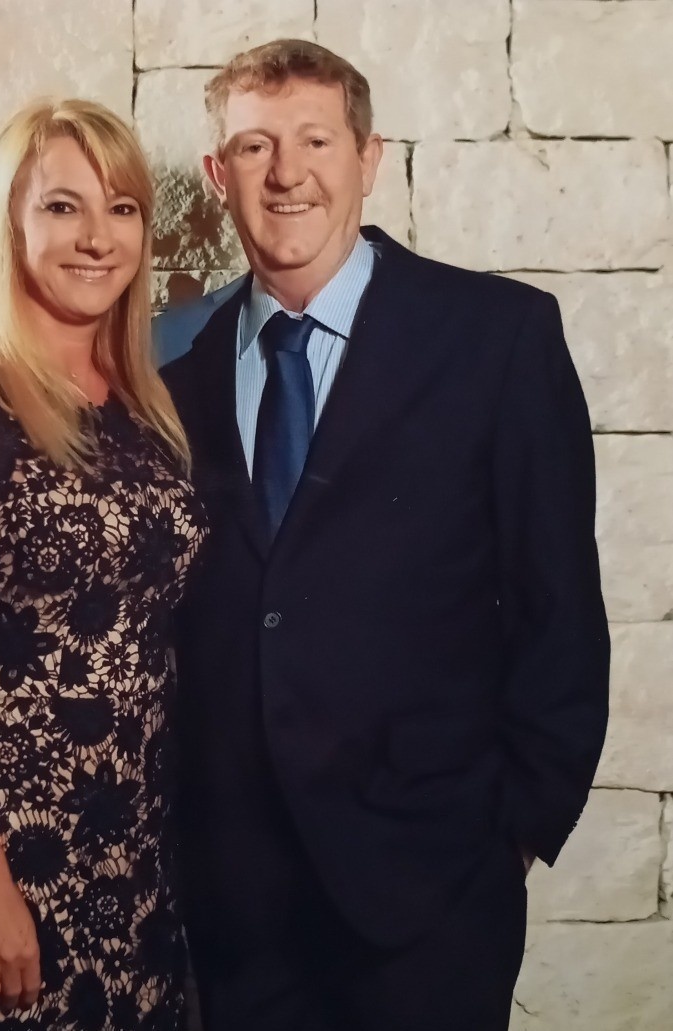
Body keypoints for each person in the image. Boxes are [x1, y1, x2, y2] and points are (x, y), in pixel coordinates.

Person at [154, 39, 609, 1031]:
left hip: (433, 884)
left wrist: (517, 826)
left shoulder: (496, 336)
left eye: (316, 140)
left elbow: (558, 601)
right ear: (217, 174)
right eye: (255, 145)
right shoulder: (164, 362)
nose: (287, 172)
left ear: (369, 158)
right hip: (236, 894)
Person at [0, 97, 208, 1030]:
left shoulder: (141, 402)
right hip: (10, 851)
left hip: (132, 854)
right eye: (63, 207)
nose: (98, 237)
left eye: (122, 208)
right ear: (8, 222)